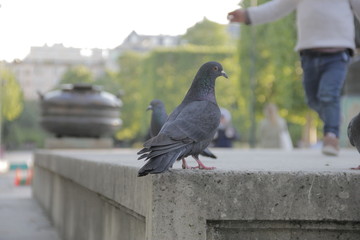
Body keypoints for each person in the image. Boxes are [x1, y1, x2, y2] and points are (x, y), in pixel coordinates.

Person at [228, 0, 360, 156]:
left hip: (338, 52)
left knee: (328, 93)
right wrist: (248, 15)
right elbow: (277, 8)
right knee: (312, 99)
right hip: (309, 54)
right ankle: (333, 116)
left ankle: (331, 135)